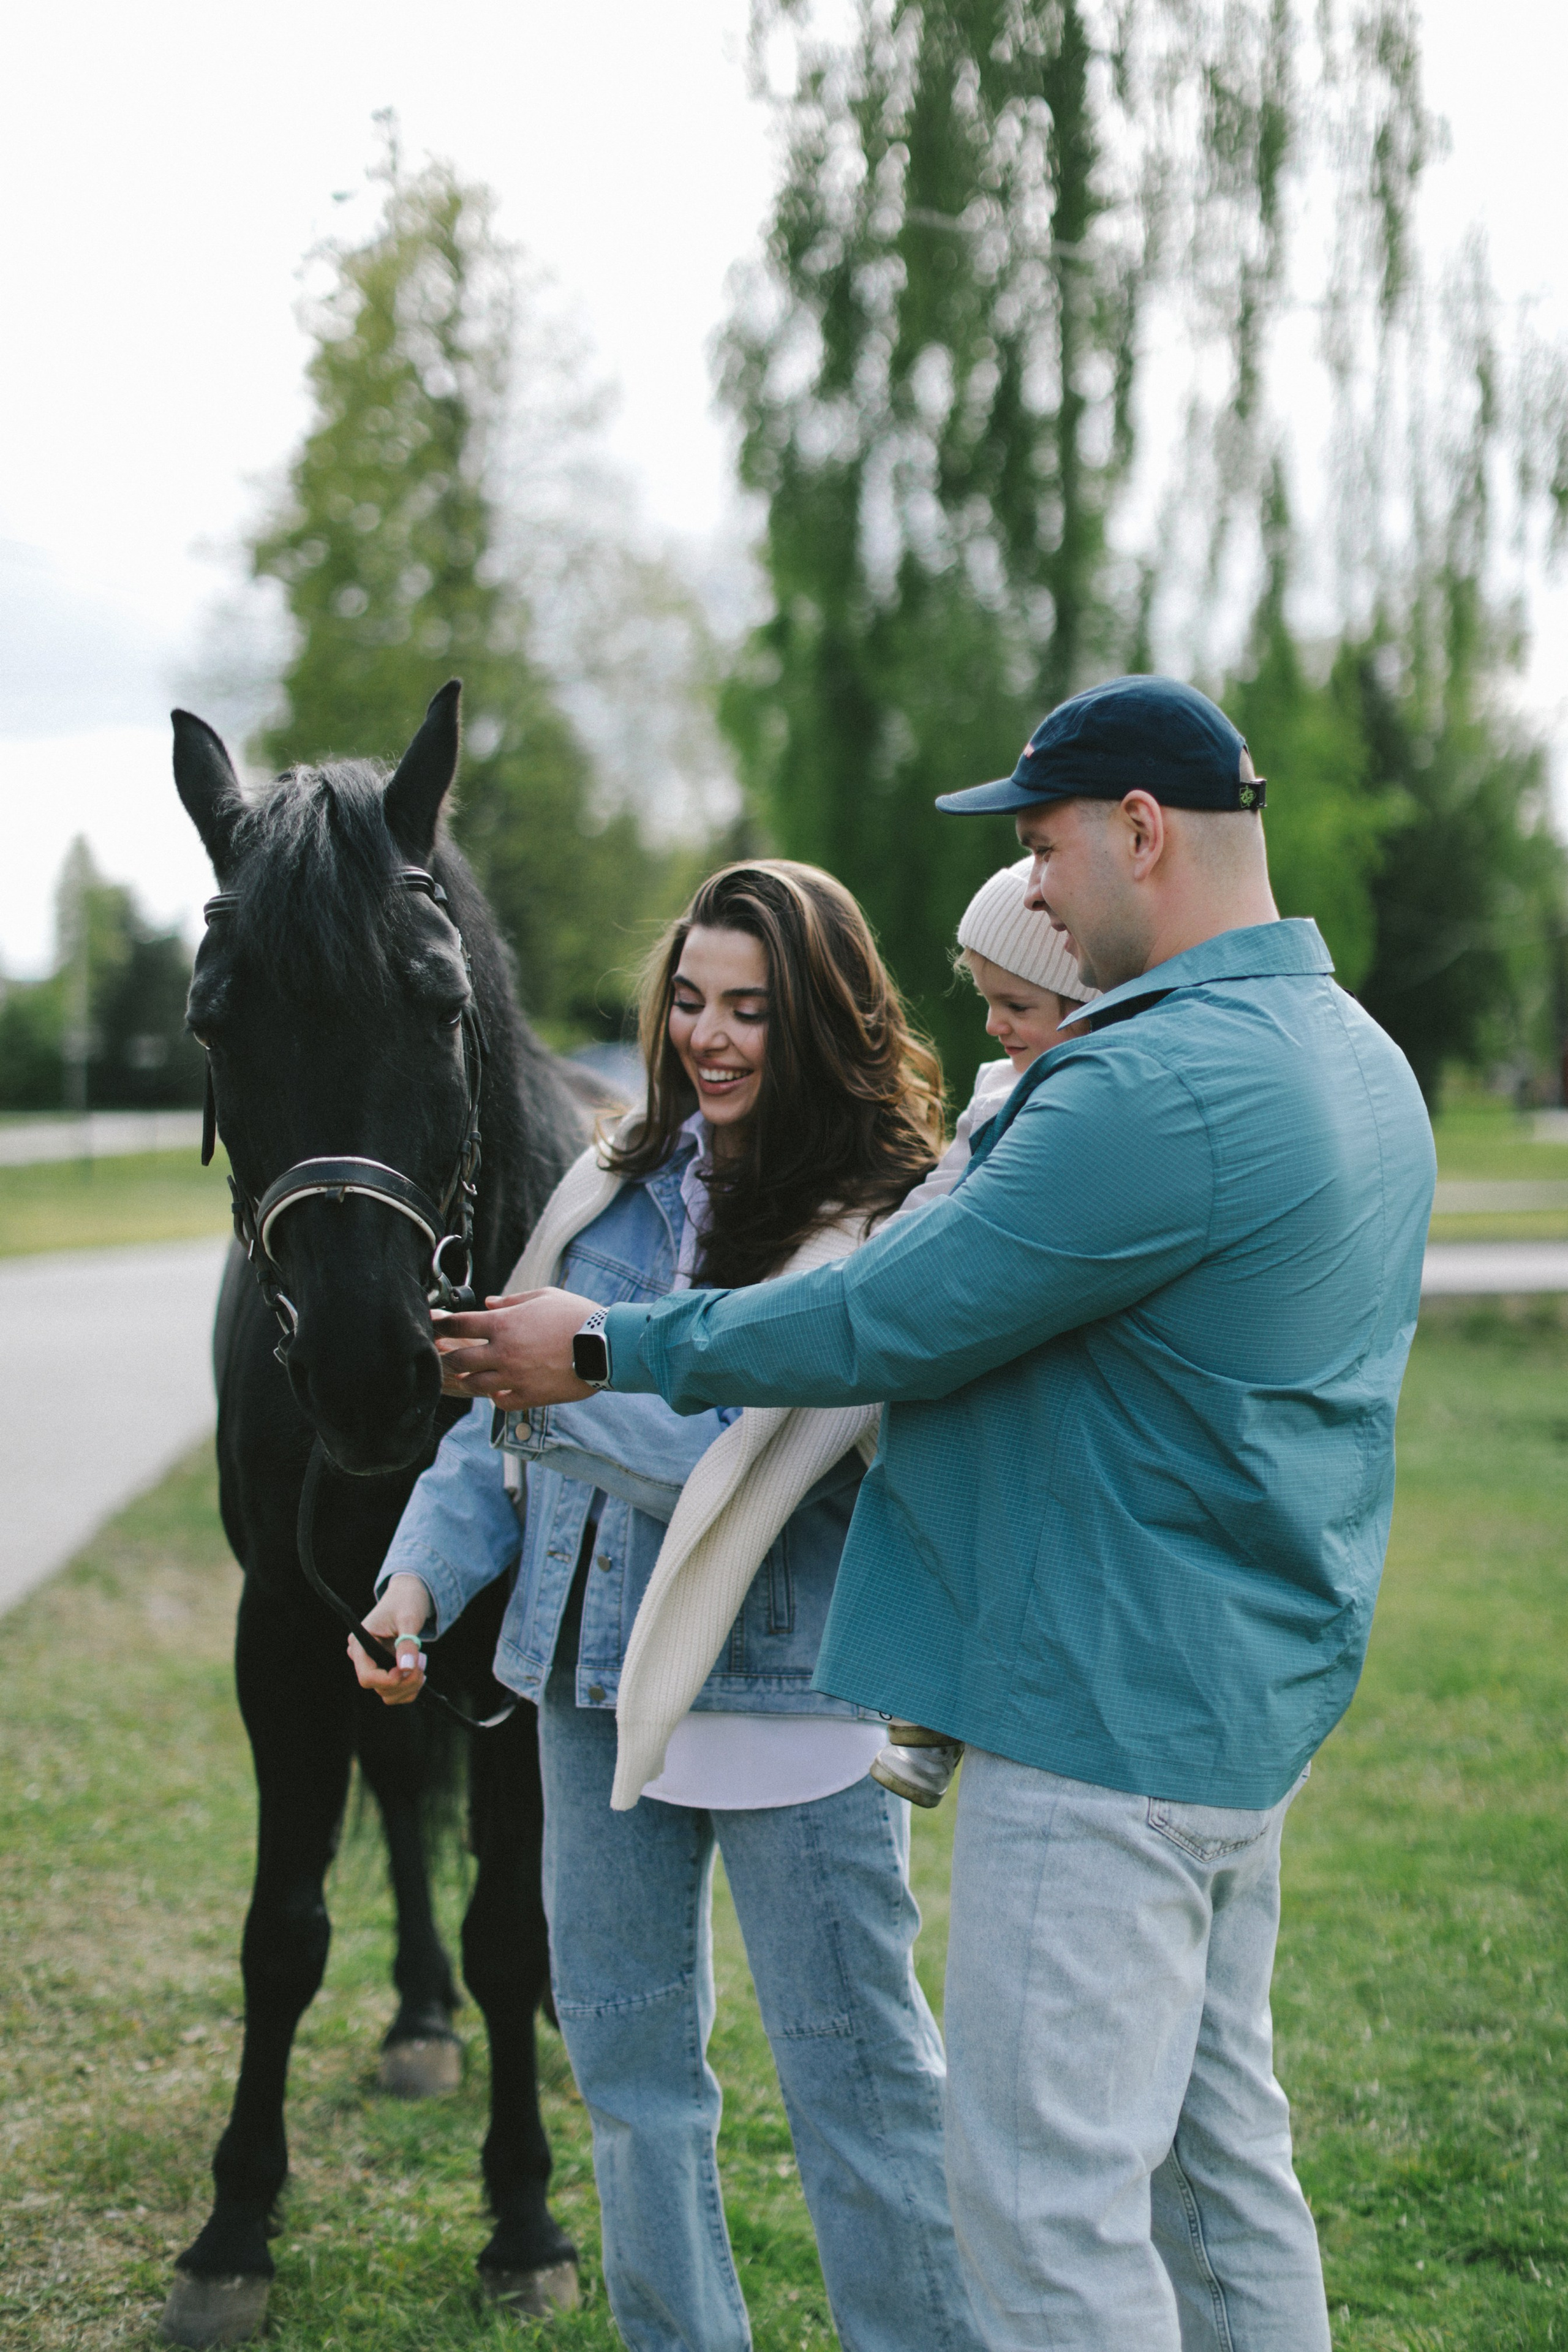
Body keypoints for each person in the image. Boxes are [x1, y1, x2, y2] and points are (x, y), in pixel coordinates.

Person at [432, 676, 1438, 2352]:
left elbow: (881, 1316)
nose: (1031, 893)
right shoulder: (1352, 1053)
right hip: (1236, 1719)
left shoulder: (1149, 1085)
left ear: (1139, 830)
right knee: (1216, 2174)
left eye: (1043, 849)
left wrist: (603, 1340)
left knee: (1041, 2222)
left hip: (1098, 1727)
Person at [352, 861, 982, 2352]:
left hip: (793, 1707)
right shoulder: (609, 1182)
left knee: (862, 2095)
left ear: (822, 1020)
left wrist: (558, 1384)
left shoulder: (882, 1223)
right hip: (587, 1692)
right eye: (689, 1000)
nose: (708, 1035)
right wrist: (415, 1584)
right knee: (632, 2094)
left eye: (750, 1009)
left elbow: (732, 1459)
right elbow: (485, 1434)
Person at [872, 856, 1097, 1807]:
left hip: (1020, 1351)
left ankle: (933, 1717)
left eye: (1020, 1007)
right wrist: (886, 1248)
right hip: (963, 1324)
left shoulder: (1079, 1099)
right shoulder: (998, 1088)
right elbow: (941, 1190)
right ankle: (920, 1714)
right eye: (988, 1002)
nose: (997, 1025)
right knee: (918, 1489)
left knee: (970, 1505)